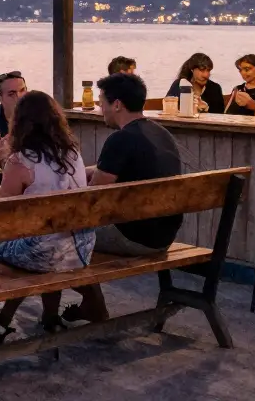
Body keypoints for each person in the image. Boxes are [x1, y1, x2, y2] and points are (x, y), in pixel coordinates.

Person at [0, 91, 94, 347]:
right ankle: (48, 315)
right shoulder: (72, 153)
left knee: (1, 245)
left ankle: (0, 320)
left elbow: (4, 217)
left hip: (44, 253)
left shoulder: (20, 161)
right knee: (45, 239)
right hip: (81, 247)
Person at [65, 73, 183, 324]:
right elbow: (106, 169)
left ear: (117, 104)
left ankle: (91, 307)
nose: (100, 110)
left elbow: (92, 200)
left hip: (136, 238)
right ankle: (90, 304)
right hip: (164, 233)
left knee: (59, 237)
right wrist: (76, 172)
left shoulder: (120, 139)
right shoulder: (161, 133)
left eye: (101, 103)